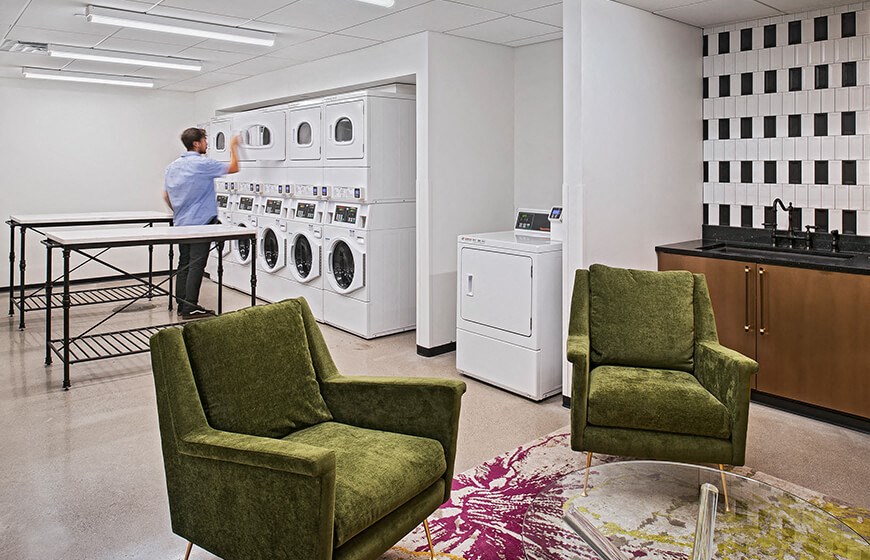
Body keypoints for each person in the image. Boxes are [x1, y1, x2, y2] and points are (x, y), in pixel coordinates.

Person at [163, 127, 239, 319]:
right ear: (196, 143)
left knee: (184, 263)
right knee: (197, 264)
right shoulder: (201, 164)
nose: (207, 143)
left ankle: (182, 304)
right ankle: (190, 308)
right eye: (205, 140)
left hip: (181, 224)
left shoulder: (172, 166)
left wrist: (180, 212)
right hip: (200, 224)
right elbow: (234, 167)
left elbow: (165, 195)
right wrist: (233, 146)